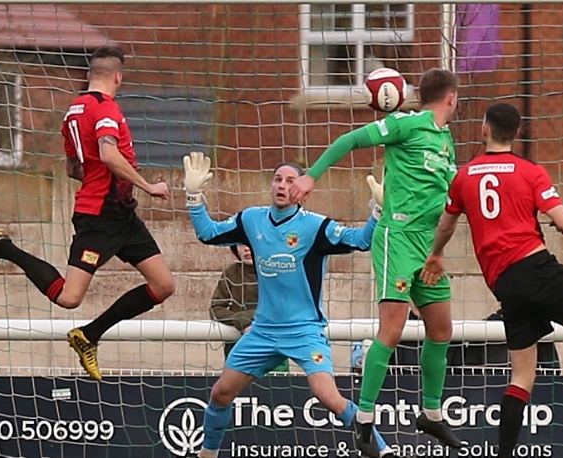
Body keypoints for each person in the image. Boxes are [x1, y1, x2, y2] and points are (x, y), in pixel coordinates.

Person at [420, 102, 563, 458]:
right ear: (519, 133)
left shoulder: (464, 176)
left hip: (505, 284)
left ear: (484, 129)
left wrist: (436, 254)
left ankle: (504, 454)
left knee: (521, 378)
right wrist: (558, 219)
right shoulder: (530, 172)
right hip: (536, 269)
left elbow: (446, 223)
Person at [0, 46, 175, 381]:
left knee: (164, 284)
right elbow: (108, 154)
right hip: (98, 216)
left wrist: (105, 178)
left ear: (90, 73)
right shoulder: (105, 109)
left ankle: (89, 335)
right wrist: (148, 185)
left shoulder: (73, 111)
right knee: (69, 297)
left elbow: (72, 168)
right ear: (118, 77)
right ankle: (2, 247)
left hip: (122, 216)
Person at [289, 68, 463, 451]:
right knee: (392, 330)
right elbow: (351, 139)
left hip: (428, 246)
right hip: (397, 239)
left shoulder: (445, 139)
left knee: (441, 329)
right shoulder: (406, 124)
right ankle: (364, 418)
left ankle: (431, 415)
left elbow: (447, 195)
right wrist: (311, 177)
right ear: (451, 98)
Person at [183, 153, 394, 458]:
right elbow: (208, 233)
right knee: (220, 393)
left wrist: (377, 211)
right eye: (277, 179)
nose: (282, 185)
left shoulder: (315, 227)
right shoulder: (251, 219)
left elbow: (361, 241)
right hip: (263, 331)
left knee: (328, 396)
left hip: (304, 330)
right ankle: (208, 454)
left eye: (290, 181)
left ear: (302, 191)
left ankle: (383, 449)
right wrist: (193, 196)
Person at [210, 244, 289, 372]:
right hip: (239, 349)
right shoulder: (231, 273)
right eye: (241, 244)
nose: (246, 248)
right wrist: (241, 321)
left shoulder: (276, 272)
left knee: (276, 387)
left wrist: (255, 320)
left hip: (273, 346)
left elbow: (284, 308)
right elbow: (215, 308)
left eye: (250, 242)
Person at [447, 309, 560, 371]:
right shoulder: (481, 331)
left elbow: (552, 371)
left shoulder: (539, 330)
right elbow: (469, 371)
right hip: (485, 400)